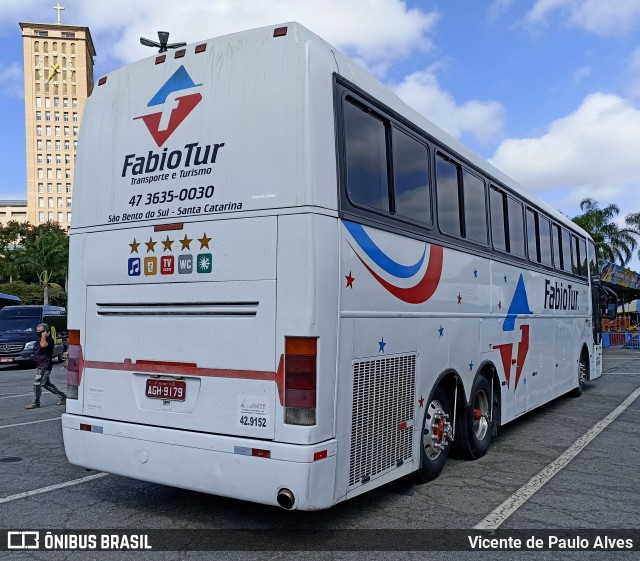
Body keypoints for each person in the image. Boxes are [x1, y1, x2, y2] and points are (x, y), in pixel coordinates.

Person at [25, 323, 66, 409]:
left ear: (46, 332)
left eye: (41, 331)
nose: (38, 333)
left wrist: (44, 336)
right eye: (37, 331)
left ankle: (36, 402)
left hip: (45, 366)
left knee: (37, 384)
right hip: (40, 365)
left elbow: (44, 345)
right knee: (46, 384)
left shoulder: (50, 340)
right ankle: (63, 396)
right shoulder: (40, 339)